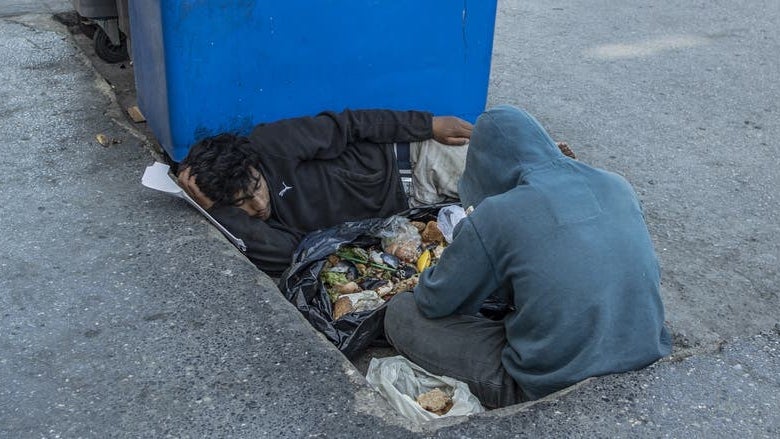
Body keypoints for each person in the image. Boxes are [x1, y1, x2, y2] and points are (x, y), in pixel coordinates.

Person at [383, 105, 671, 409]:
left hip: (551, 382)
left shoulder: (496, 214)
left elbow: (433, 301)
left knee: (401, 312)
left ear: (483, 166)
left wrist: (471, 240)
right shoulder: (617, 184)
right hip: (645, 352)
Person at [177, 109, 473, 276]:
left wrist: (427, 125)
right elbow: (288, 256)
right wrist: (216, 213)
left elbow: (350, 126)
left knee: (513, 183)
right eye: (241, 204)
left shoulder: (272, 145)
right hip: (410, 219)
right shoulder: (261, 229)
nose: (258, 204)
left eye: (256, 187)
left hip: (418, 163)